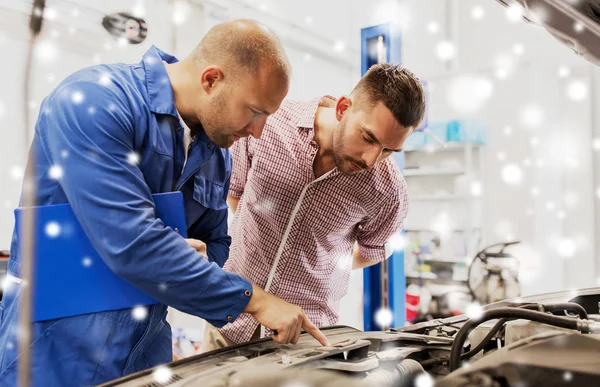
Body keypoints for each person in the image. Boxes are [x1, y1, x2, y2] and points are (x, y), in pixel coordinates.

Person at [0, 19, 328, 387]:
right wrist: (256, 300)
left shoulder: (217, 154)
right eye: (255, 112)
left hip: (143, 354)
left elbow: (217, 242)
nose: (258, 132)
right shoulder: (94, 102)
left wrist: (191, 261)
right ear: (211, 79)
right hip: (56, 353)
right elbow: (132, 243)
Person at [202, 63, 426, 350]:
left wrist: (323, 262)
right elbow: (235, 193)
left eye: (388, 150)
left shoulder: (389, 191)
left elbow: (372, 251)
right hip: (230, 315)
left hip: (306, 339)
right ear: (343, 108)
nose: (371, 159)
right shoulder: (271, 124)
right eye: (368, 138)